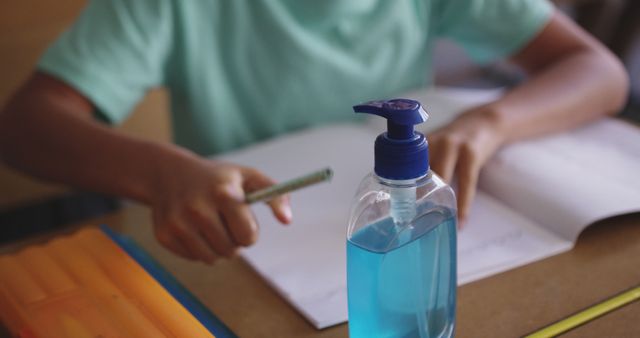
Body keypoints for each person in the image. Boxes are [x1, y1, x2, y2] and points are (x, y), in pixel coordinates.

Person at [0, 0, 628, 264]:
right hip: (241, 249)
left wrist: (492, 122)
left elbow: (597, 70)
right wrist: (161, 172)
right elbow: (28, 126)